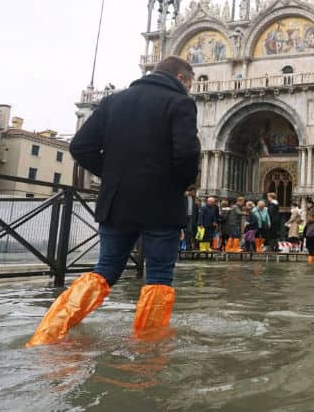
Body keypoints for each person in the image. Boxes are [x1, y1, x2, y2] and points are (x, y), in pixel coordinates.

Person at [27, 56, 200, 346]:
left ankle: (49, 334)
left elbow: (80, 147)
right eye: (191, 84)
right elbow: (187, 154)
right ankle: (147, 352)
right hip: (162, 205)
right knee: (158, 276)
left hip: (117, 201)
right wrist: (179, 185)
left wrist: (113, 175)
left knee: (105, 269)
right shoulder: (180, 103)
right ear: (181, 79)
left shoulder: (112, 102)